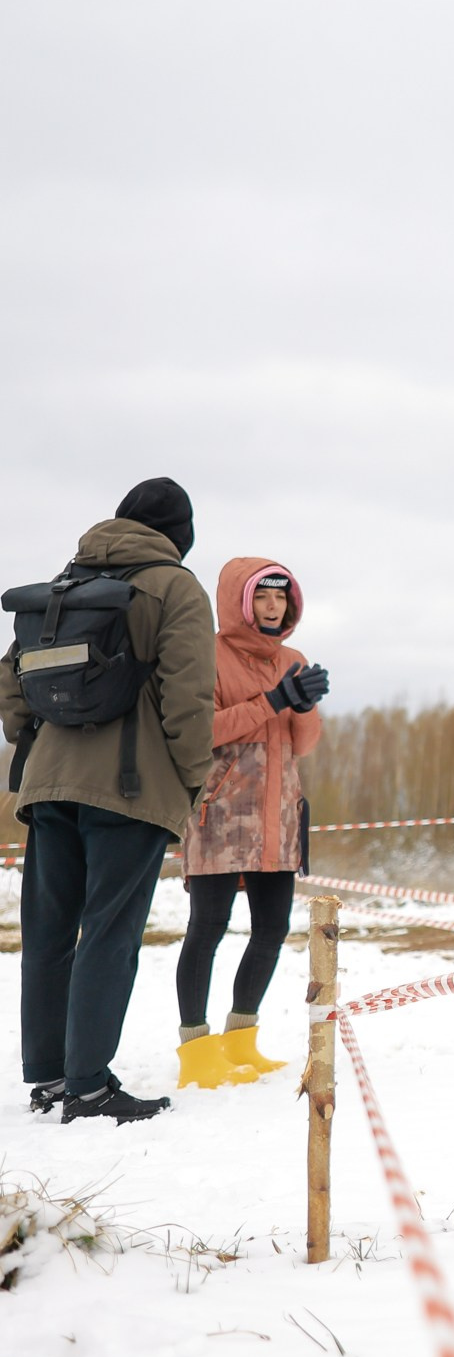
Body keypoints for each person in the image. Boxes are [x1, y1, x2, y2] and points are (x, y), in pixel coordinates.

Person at [1, 478, 216, 1123]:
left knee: (48, 932)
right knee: (109, 934)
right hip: (130, 786)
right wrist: (191, 779)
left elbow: (12, 682)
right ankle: (90, 1086)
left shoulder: (63, 584)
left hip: (47, 784)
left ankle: (49, 1078)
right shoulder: (176, 587)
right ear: (181, 534)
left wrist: (34, 742)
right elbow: (188, 697)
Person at [174, 559, 329, 1088]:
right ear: (240, 602)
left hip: (278, 815)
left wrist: (302, 706)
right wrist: (272, 701)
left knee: (271, 931)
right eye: (261, 598)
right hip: (220, 812)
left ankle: (241, 1042)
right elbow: (202, 733)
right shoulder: (208, 655)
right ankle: (196, 1050)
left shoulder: (293, 659)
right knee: (207, 929)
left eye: (280, 599)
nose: (272, 608)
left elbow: (303, 744)